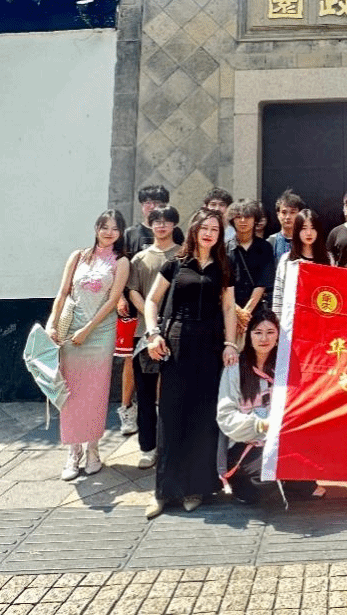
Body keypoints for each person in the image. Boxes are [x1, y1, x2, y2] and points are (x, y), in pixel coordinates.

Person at [142, 208, 237, 518]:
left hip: (210, 345)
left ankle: (195, 488)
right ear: (194, 229)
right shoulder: (175, 264)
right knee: (171, 414)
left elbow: (228, 308)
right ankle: (163, 492)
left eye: (215, 229)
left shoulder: (224, 266)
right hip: (178, 342)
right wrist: (153, 333)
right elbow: (152, 300)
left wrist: (230, 344)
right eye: (204, 227)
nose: (209, 233)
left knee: (202, 416)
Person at [47, 210, 130, 481]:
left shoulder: (121, 261)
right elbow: (63, 293)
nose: (109, 233)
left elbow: (113, 300)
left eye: (115, 228)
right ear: (96, 228)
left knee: (95, 391)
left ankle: (93, 449)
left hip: (100, 332)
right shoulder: (78, 257)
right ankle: (73, 451)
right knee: (70, 392)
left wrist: (88, 329)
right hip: (71, 330)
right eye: (104, 227)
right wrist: (52, 323)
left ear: (121, 233)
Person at [216, 311, 320, 505]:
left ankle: (291, 482)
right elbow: (225, 416)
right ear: (249, 335)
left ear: (278, 335)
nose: (264, 338)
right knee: (268, 477)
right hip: (245, 444)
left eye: (270, 332)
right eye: (258, 332)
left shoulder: (284, 368)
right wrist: (261, 425)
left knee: (304, 461)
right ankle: (255, 485)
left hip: (278, 442)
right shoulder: (234, 367)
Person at [116, 185, 185, 437]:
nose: (152, 207)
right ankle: (128, 411)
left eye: (157, 202)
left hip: (175, 320)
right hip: (140, 317)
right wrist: (127, 301)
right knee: (135, 366)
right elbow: (122, 270)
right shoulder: (131, 235)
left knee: (171, 374)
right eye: (147, 202)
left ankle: (167, 423)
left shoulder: (181, 248)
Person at [126, 205, 181, 470]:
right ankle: (148, 447)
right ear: (149, 224)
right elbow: (133, 291)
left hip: (176, 333)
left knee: (174, 393)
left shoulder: (183, 254)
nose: (161, 225)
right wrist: (152, 316)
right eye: (156, 221)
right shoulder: (140, 259)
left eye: (166, 221)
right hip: (145, 334)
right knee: (146, 394)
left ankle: (173, 445)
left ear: (174, 225)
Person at [272, 209, 334, 327]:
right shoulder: (287, 260)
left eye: (313, 228)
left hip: (319, 322)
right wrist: (276, 323)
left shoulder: (328, 259)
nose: (309, 233)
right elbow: (278, 295)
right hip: (291, 322)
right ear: (297, 231)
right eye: (304, 228)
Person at [228, 199, 276, 339]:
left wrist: (245, 314)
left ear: (255, 220)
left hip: (257, 312)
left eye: (248, 216)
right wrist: (238, 312)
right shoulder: (224, 248)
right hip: (230, 311)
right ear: (232, 220)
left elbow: (262, 283)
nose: (243, 221)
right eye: (238, 217)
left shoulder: (265, 247)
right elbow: (221, 284)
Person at [267, 189, 305, 265]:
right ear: (278, 214)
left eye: (292, 212)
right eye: (284, 212)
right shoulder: (270, 242)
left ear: (300, 214)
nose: (288, 217)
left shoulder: (306, 241)